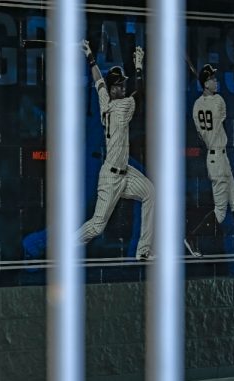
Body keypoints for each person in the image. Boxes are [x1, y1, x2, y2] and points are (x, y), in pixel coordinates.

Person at [78, 40, 155, 261]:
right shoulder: (122, 107)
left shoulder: (105, 101)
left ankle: (143, 250)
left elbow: (98, 82)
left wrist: (90, 57)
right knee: (97, 226)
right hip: (111, 178)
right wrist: (139, 65)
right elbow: (139, 92)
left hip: (125, 172)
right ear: (114, 90)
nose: (123, 88)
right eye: (119, 86)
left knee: (150, 193)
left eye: (123, 85)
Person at [185, 64, 234, 257]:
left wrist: (205, 92)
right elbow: (221, 117)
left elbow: (199, 131)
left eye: (214, 78)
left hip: (216, 157)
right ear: (204, 83)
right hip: (217, 158)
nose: (216, 81)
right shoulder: (219, 100)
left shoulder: (196, 106)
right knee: (220, 212)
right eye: (211, 79)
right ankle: (192, 236)